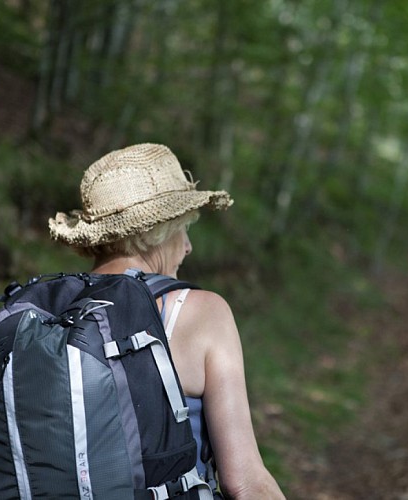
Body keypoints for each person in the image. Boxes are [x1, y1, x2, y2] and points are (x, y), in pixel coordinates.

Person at [48, 143, 286, 499]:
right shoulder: (202, 313)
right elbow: (245, 481)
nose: (188, 246)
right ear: (156, 231)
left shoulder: (42, 314)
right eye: (182, 227)